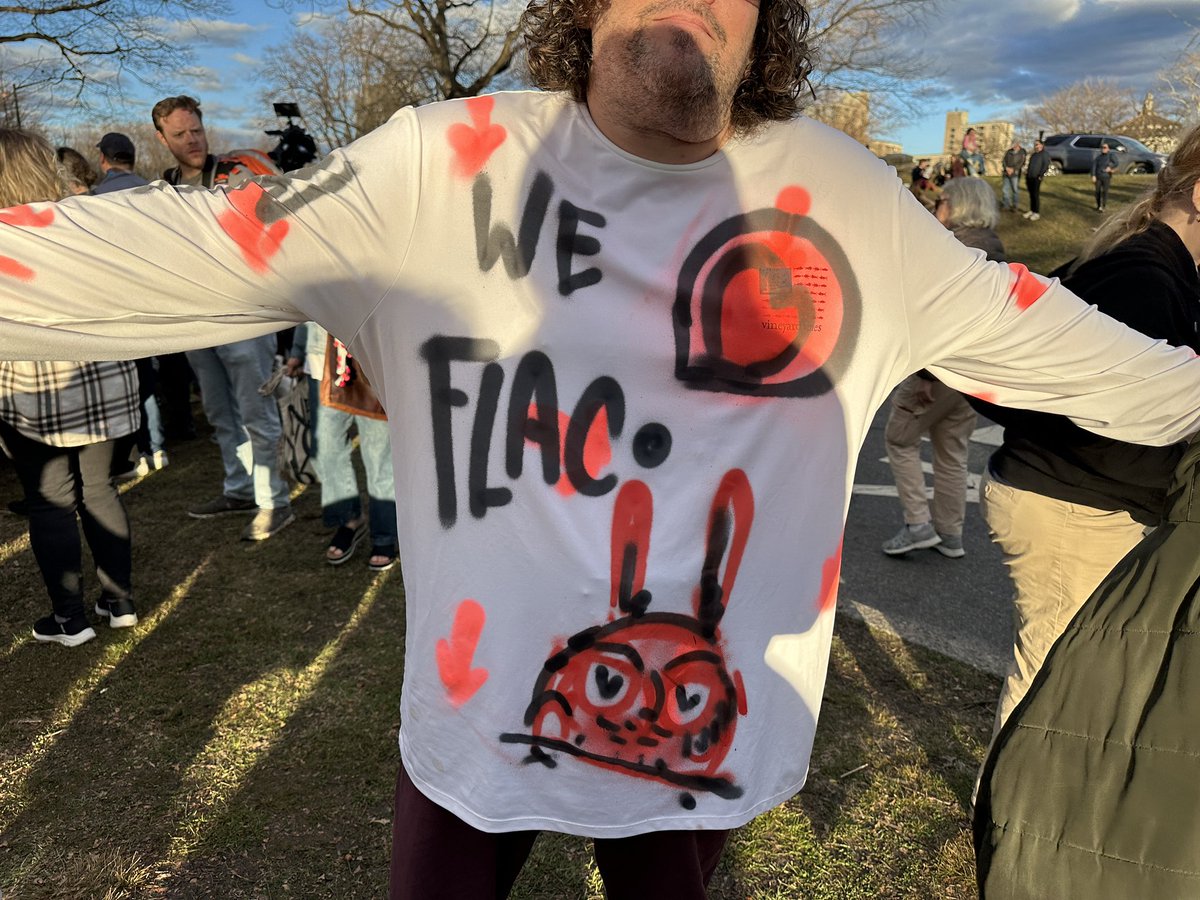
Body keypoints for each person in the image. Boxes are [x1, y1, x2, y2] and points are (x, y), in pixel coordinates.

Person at [3, 2, 1200, 895]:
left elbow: (1105, 367)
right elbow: (160, 256)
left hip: (702, 739)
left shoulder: (846, 199)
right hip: (477, 727)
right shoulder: (437, 162)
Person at [973, 122, 1200, 739]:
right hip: (1074, 504)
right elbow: (1079, 415)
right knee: (1053, 686)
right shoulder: (1141, 278)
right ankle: (1005, 827)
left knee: (1073, 679)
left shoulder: (1162, 270)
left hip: (1082, 500)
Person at [0, 128, 139, 646]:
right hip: (103, 378)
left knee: (51, 501)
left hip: (34, 389)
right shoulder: (88, 224)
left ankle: (70, 618)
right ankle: (118, 600)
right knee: (99, 489)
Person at [151, 95, 294, 541]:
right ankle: (238, 489)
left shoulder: (236, 170)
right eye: (180, 134)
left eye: (196, 130)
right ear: (162, 137)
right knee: (218, 409)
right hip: (197, 314)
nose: (192, 140)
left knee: (255, 406)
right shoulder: (165, 185)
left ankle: (275, 500)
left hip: (245, 310)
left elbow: (280, 214)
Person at [882, 177, 1002, 559]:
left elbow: (938, 319)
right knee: (952, 452)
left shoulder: (952, 251)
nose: (936, 207)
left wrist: (925, 376)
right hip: (972, 373)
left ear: (960, 205)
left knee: (899, 440)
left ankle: (918, 523)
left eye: (942, 201)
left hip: (937, 369)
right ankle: (950, 533)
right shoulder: (995, 250)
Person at [286, 322, 398, 570]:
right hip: (321, 360)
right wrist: (297, 349)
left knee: (378, 454)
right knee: (326, 449)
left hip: (372, 359)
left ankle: (385, 533)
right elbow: (307, 295)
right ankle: (349, 518)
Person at [92, 132, 169, 478]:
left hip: (117, 301)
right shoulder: (155, 191)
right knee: (149, 379)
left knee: (128, 379)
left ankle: (136, 453)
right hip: (156, 296)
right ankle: (158, 447)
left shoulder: (95, 199)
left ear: (104, 160)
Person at [1022, 138, 1049, 221]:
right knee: (1031, 195)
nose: (1035, 146)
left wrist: (1040, 175)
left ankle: (1036, 213)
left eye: (1037, 144)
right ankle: (1032, 210)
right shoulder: (1034, 155)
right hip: (1029, 176)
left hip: (1037, 178)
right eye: (1035, 144)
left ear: (1041, 145)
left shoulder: (1044, 154)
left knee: (1035, 195)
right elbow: (1030, 165)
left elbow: (1045, 165)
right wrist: (1027, 173)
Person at [1000, 139, 1025, 212]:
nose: (1014, 146)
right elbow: (1004, 161)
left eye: (1015, 145)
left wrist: (1013, 169)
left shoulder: (1022, 153)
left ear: (1018, 145)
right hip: (1006, 173)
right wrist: (1006, 168)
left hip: (1015, 174)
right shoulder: (1008, 152)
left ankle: (1015, 206)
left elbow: (1021, 163)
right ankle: (1006, 205)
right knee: (1005, 190)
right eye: (1013, 145)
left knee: (1015, 190)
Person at [1092, 140, 1118, 212]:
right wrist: (1093, 175)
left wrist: (1110, 167)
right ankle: (1098, 206)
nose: (1103, 149)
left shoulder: (1111, 156)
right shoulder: (1098, 157)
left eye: (1105, 147)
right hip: (1098, 176)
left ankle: (1103, 206)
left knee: (1105, 192)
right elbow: (1094, 166)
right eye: (1102, 147)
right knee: (1097, 192)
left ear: (1108, 148)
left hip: (1106, 176)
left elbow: (1116, 163)